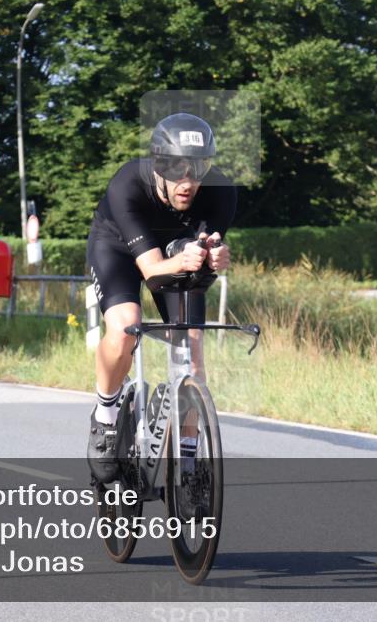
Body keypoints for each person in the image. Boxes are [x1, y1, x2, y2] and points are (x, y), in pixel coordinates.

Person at [85, 113, 236, 482]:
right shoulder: (128, 184)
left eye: (197, 171)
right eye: (178, 171)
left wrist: (213, 259)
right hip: (118, 248)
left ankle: (187, 460)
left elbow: (201, 257)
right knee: (125, 329)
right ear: (158, 165)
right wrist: (185, 260)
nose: (188, 182)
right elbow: (151, 269)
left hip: (174, 249)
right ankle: (105, 416)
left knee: (193, 356)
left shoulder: (221, 192)